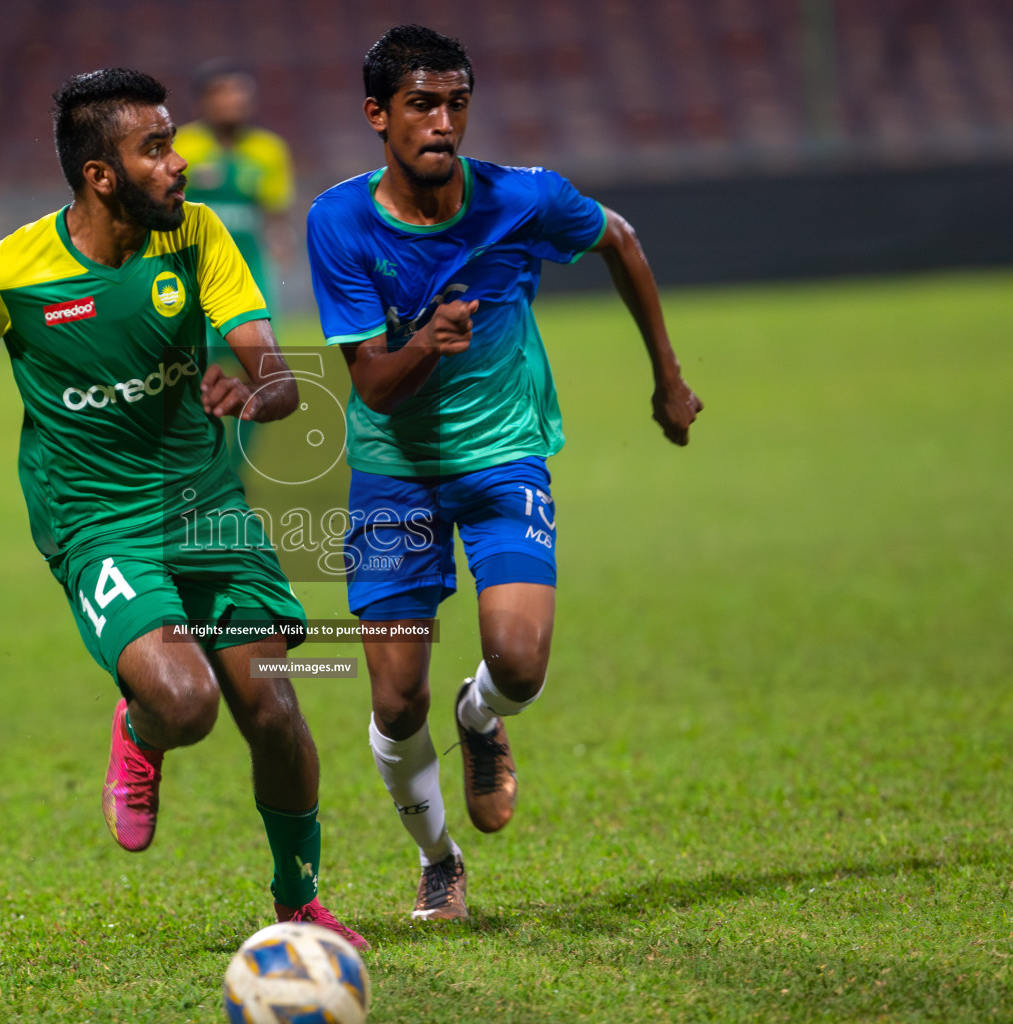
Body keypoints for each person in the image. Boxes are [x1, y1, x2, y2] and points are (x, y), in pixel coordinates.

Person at [0, 68, 366, 949]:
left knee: (273, 709)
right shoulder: (11, 271)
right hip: (97, 519)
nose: (180, 165)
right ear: (101, 174)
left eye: (173, 142)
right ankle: (140, 725)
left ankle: (299, 904)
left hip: (205, 503)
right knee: (188, 705)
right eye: (156, 149)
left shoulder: (199, 236)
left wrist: (260, 393)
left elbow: (277, 375)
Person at [306, 26, 704, 923]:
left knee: (519, 664)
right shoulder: (338, 221)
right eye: (421, 104)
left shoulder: (527, 200)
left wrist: (667, 378)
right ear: (379, 115)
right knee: (395, 697)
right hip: (392, 474)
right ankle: (437, 860)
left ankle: (482, 717)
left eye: (456, 103)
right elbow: (371, 382)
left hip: (502, 458)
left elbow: (621, 240)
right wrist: (431, 344)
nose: (442, 122)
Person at [177, 59, 296, 473]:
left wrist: (282, 243)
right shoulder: (182, 149)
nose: (234, 102)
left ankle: (237, 466)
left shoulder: (268, 150)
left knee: (263, 370)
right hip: (196, 277)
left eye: (241, 93)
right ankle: (202, 460)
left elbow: (275, 211)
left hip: (251, 276)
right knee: (193, 373)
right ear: (203, 101)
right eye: (224, 93)